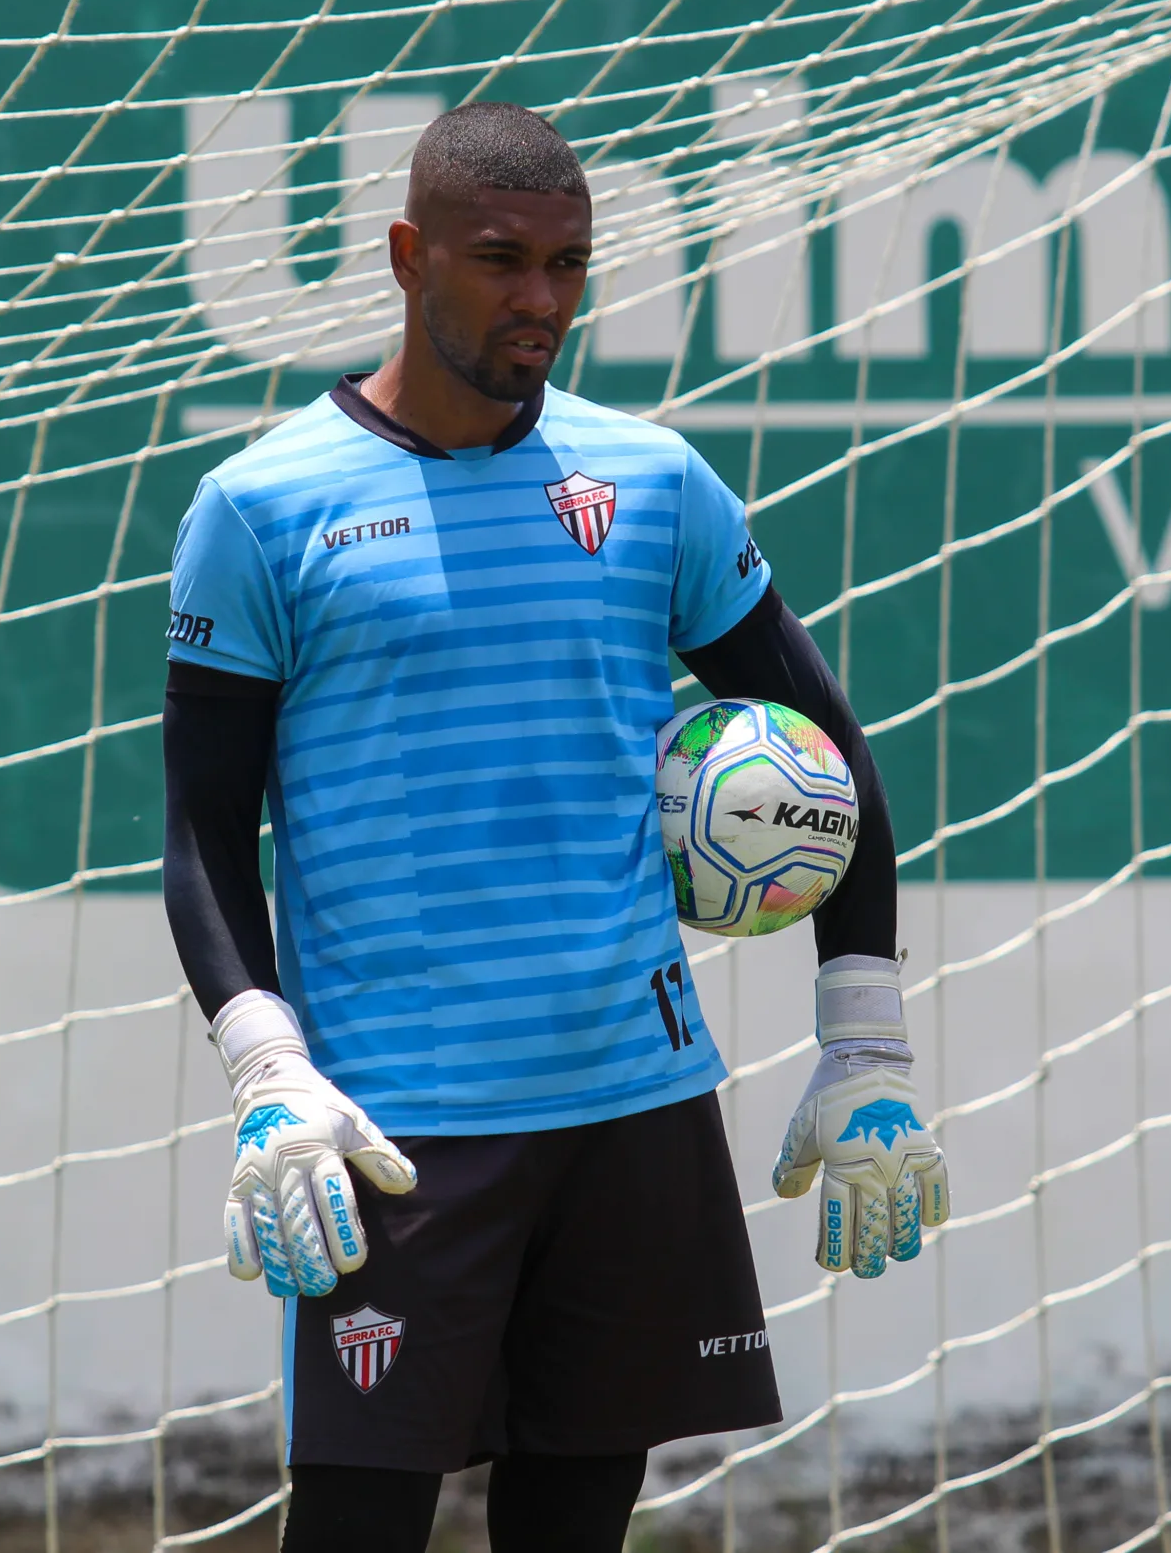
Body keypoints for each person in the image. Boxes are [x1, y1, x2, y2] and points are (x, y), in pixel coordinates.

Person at [159, 101, 951, 1553]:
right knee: (354, 1525)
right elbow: (203, 830)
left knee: (580, 1526)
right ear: (409, 254)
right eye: (502, 260)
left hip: (628, 1110)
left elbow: (830, 750)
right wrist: (265, 1065)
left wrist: (866, 1041)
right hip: (399, 1130)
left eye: (570, 265)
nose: (542, 302)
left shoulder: (651, 480)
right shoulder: (261, 506)